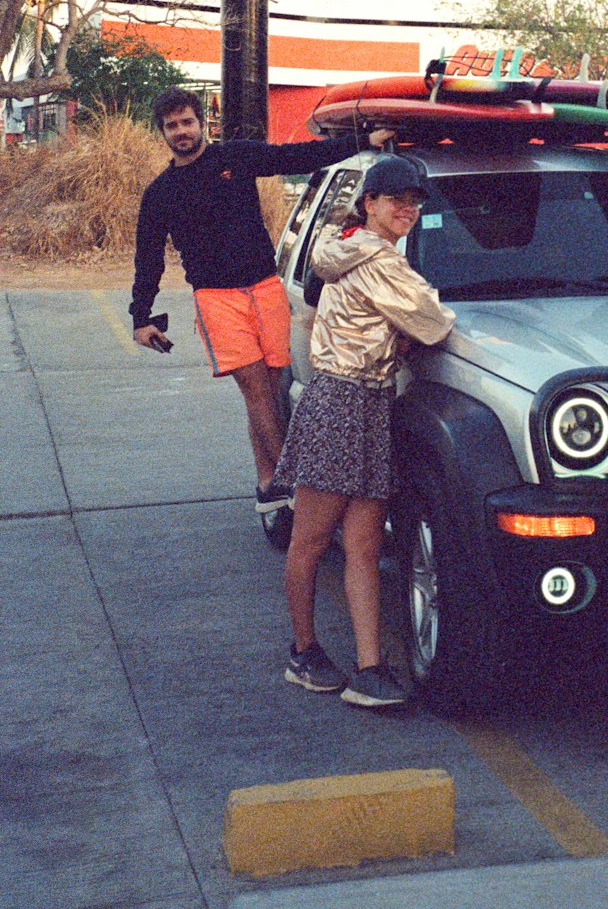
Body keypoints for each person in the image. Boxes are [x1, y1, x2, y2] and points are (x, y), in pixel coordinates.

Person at [129, 86, 383, 514]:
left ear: (200, 122)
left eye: (187, 122)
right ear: (163, 133)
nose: (181, 132)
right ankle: (294, 479)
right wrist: (141, 316)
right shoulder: (160, 193)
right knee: (254, 389)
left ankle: (267, 481)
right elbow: (148, 259)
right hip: (216, 298)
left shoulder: (235, 157)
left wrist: (359, 142)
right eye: (172, 126)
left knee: (266, 389)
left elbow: (295, 157)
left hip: (266, 288)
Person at [276, 153, 455, 707]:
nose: (407, 207)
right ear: (369, 203)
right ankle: (303, 653)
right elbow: (434, 320)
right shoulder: (380, 261)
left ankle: (369, 667)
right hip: (341, 401)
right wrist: (410, 333)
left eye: (415, 200)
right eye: (395, 198)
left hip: (369, 402)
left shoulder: (347, 249)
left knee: (361, 544)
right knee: (310, 539)